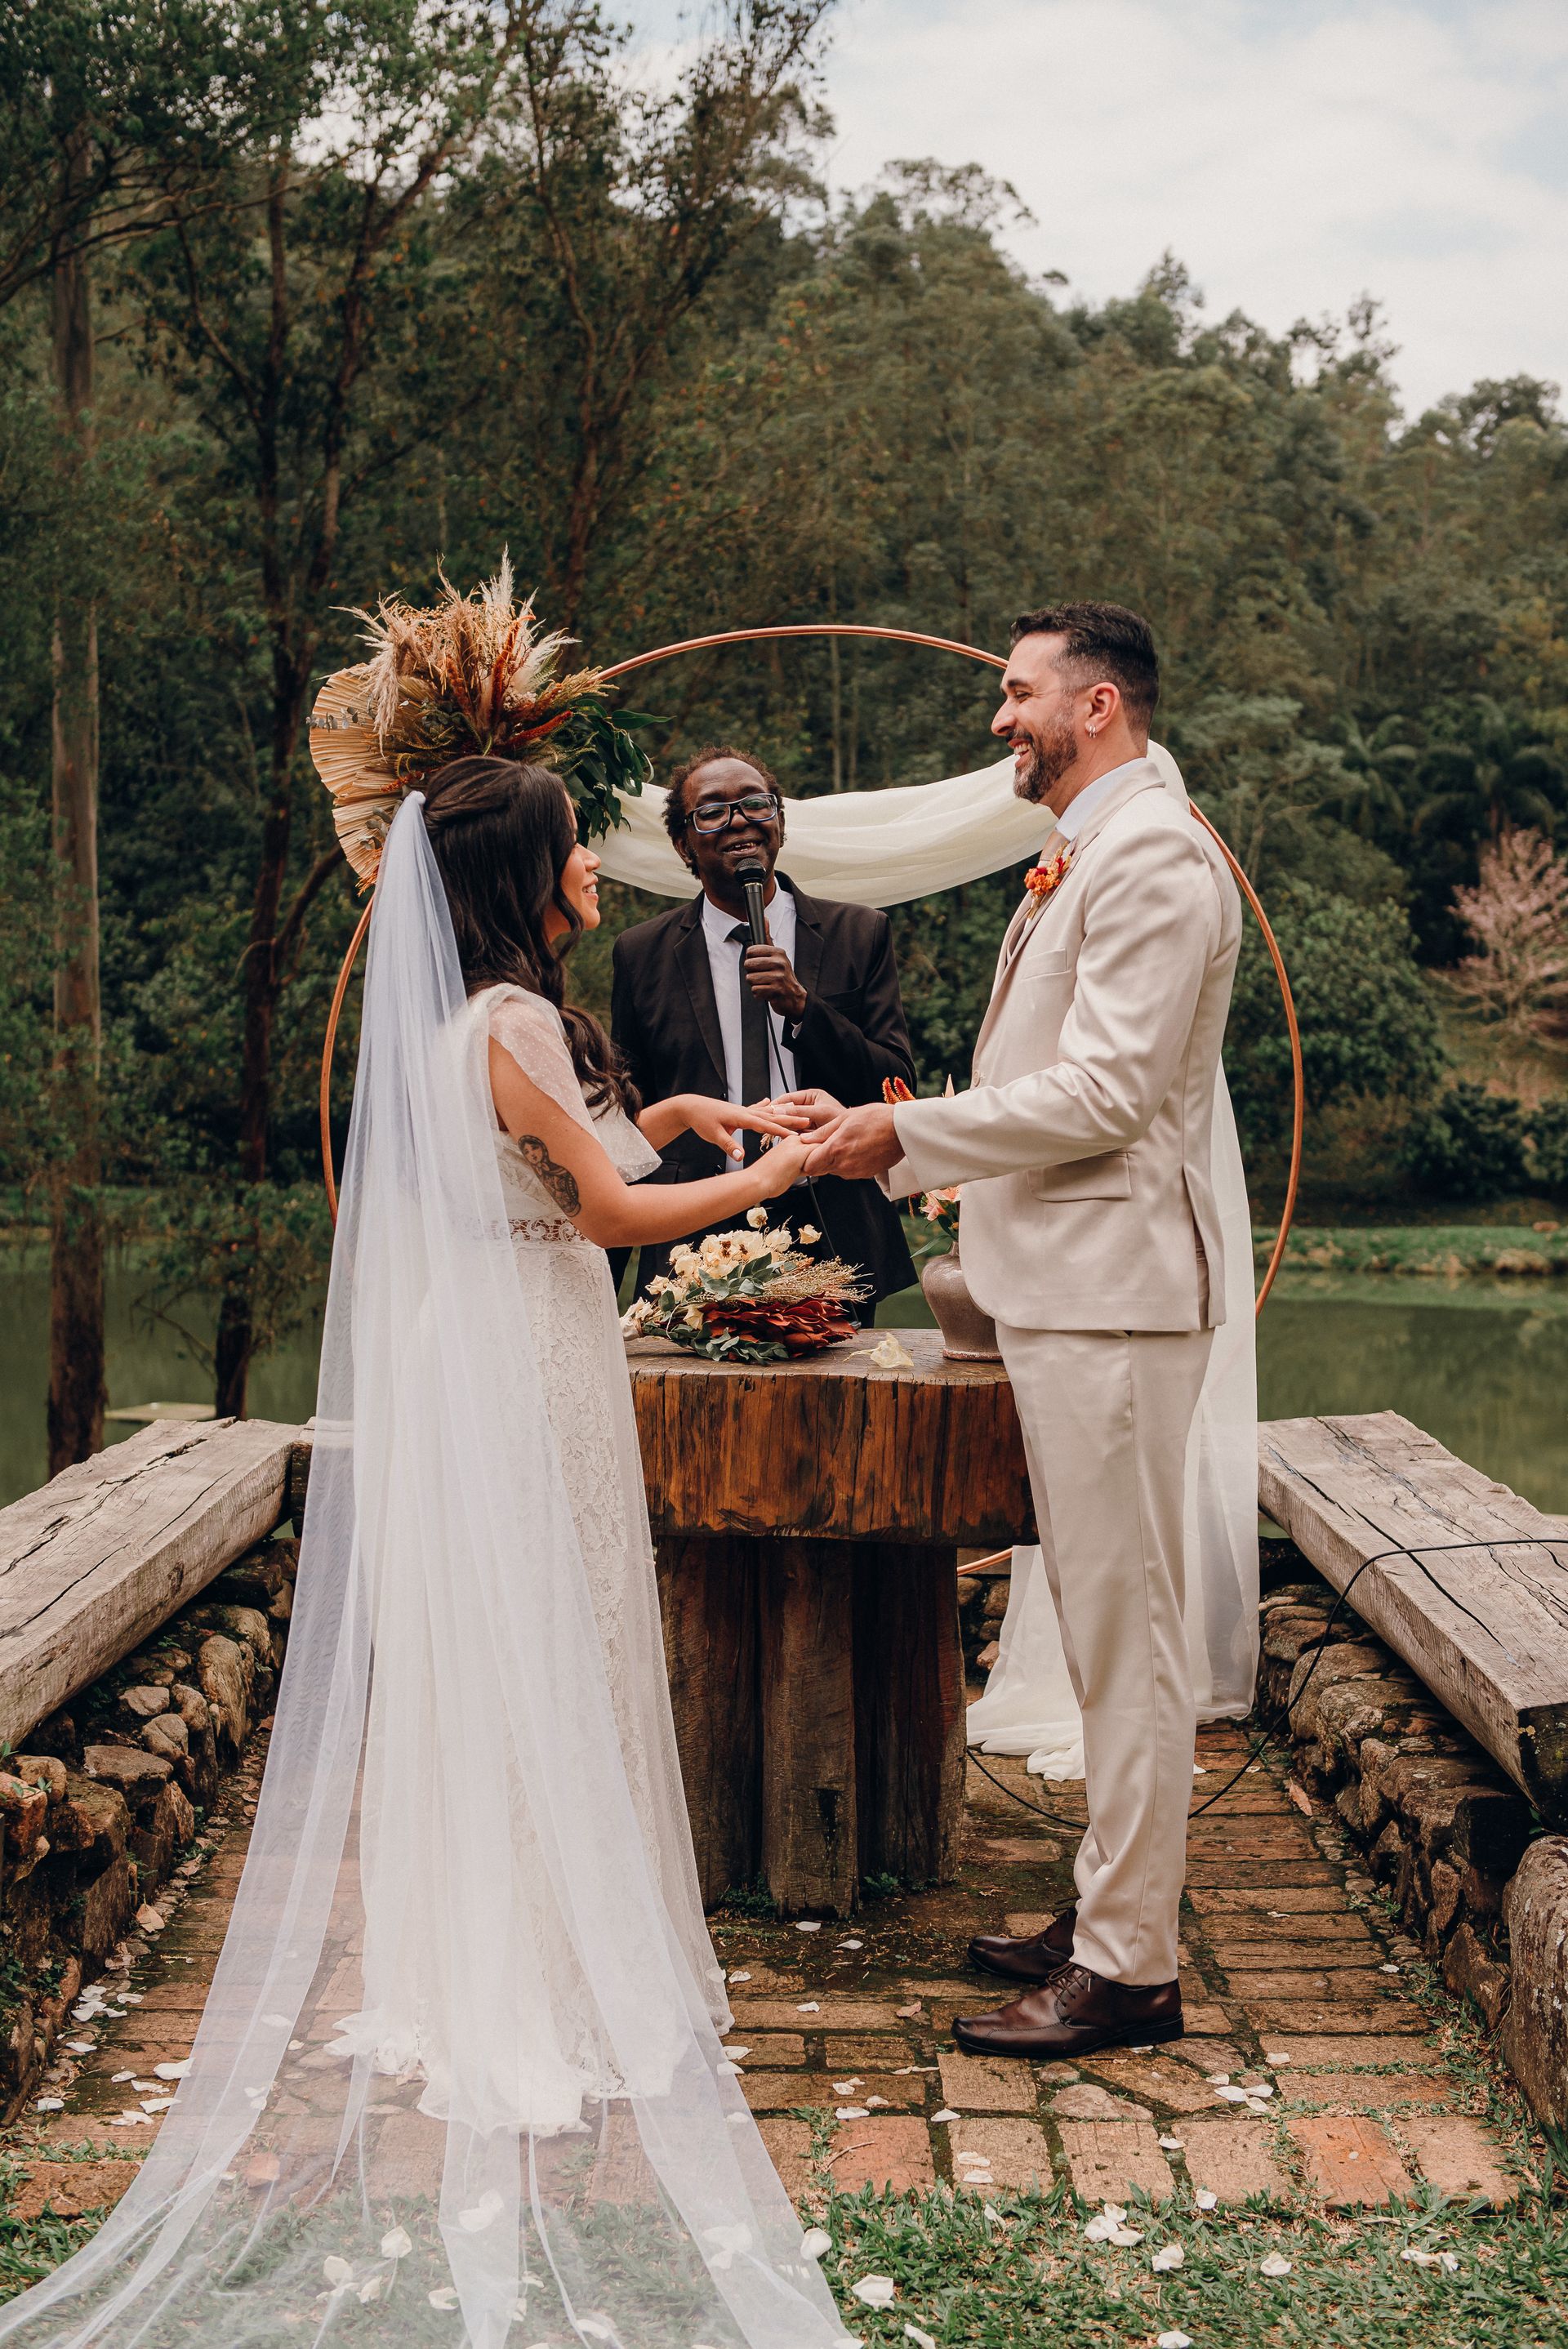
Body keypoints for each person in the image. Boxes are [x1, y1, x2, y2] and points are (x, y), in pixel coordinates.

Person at [0, 738, 848, 2347]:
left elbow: (582, 1162)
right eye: (580, 852)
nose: (603, 870)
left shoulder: (492, 1022)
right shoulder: (513, 1018)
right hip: (528, 1348)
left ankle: (524, 1948)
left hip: (515, 1330)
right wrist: (790, 1170)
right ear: (524, 878)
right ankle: (531, 1979)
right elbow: (600, 1213)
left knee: (535, 1638)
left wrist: (696, 1112)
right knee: (549, 1637)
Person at [805, 602, 1243, 2062]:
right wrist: (891, 1130)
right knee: (1114, 1622)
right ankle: (1111, 1903)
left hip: (1114, 1300)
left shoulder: (1158, 859)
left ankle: (1129, 1970)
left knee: (1130, 1636)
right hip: (1070, 1291)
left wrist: (904, 1136)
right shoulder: (1093, 850)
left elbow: (1108, 1094)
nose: (1000, 717)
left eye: (1019, 693)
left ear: (1100, 705)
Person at [610, 744, 915, 1313]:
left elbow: (894, 1085)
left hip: (829, 1221)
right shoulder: (640, 954)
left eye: (756, 804)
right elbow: (631, 1109)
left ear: (779, 822)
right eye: (712, 810)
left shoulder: (859, 932)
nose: (740, 820)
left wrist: (805, 1007)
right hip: (694, 1227)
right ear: (683, 843)